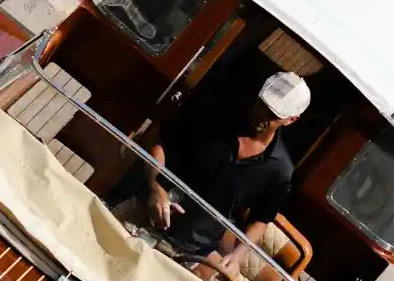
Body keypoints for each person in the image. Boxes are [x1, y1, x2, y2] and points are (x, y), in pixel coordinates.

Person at [110, 70, 309, 257]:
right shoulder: (213, 114)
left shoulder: (280, 170)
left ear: (291, 120)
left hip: (186, 250)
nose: (262, 115)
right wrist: (155, 186)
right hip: (141, 211)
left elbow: (261, 218)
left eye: (273, 114)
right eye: (262, 105)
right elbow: (160, 140)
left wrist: (236, 257)